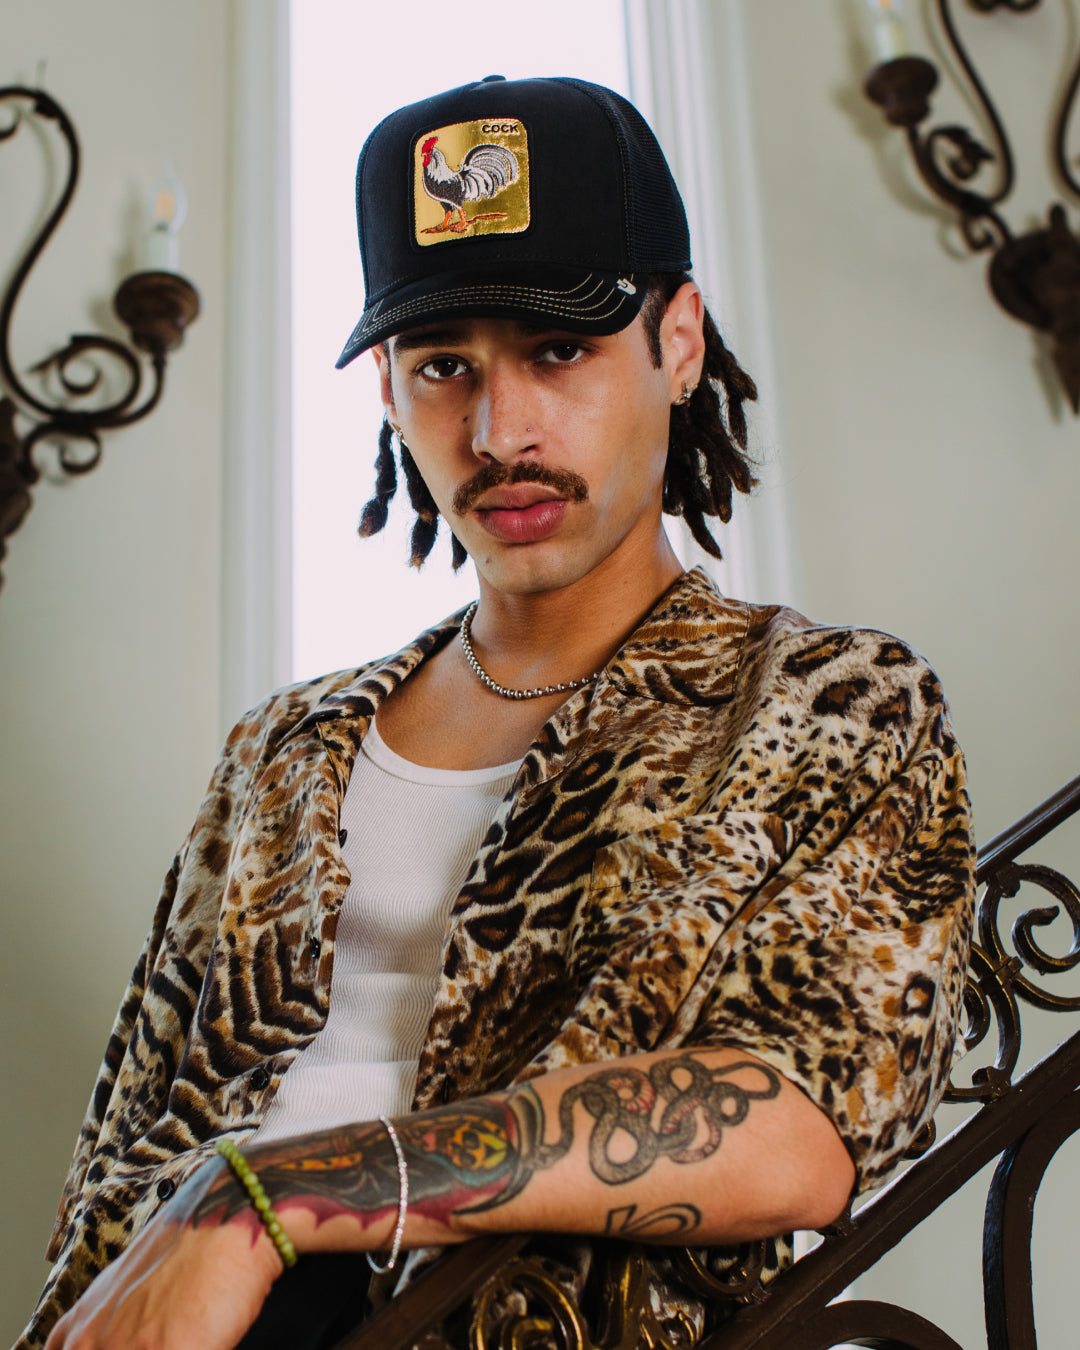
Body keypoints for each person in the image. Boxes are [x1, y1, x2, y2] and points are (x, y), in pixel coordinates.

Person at [22, 76, 974, 1350]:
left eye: (558, 350)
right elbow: (117, 1157)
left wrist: (269, 1199)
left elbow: (789, 1127)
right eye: (442, 367)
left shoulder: (826, 709)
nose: (498, 428)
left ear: (678, 341)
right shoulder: (280, 754)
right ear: (389, 396)